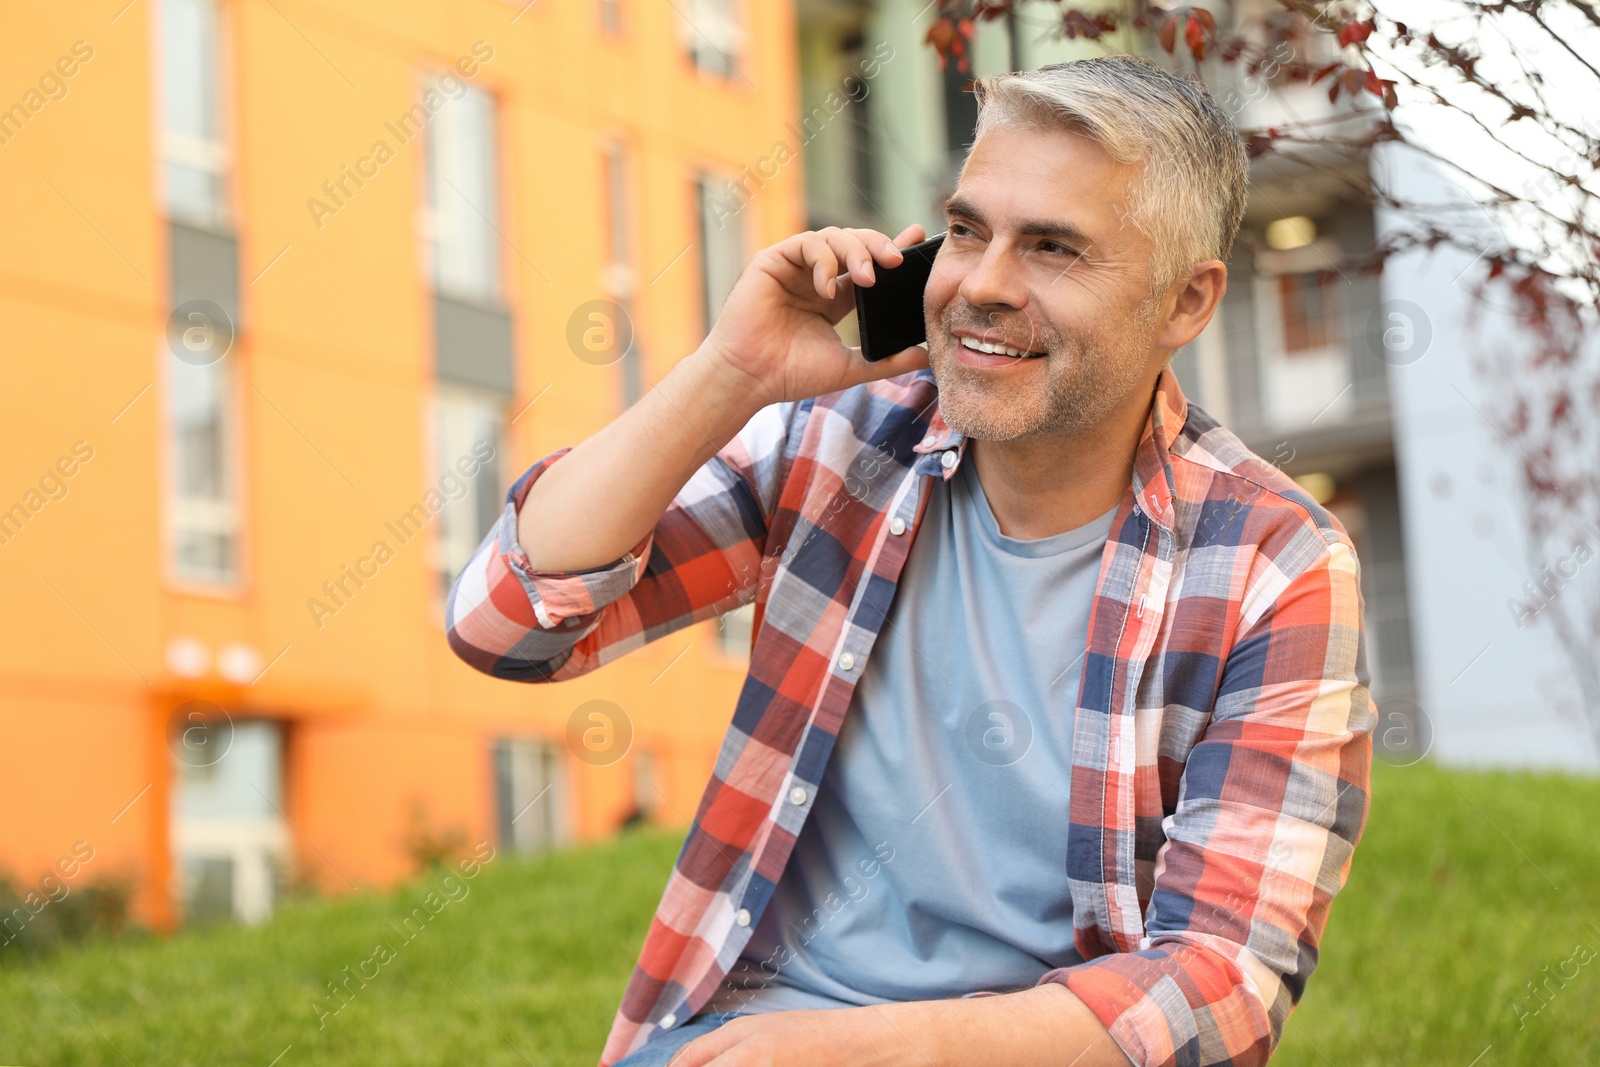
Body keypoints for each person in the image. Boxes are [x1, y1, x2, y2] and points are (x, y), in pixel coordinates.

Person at [445, 54, 1375, 1067]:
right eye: (968, 229)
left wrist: (848, 1049)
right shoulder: (843, 443)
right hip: (742, 1035)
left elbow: (1224, 985)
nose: (980, 284)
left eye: (1054, 249)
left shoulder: (1272, 562)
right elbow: (504, 625)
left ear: (1185, 303)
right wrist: (731, 374)